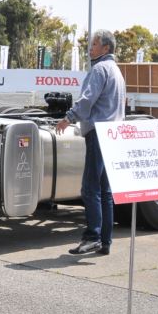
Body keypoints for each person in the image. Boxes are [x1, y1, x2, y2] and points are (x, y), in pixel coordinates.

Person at [54, 30, 126, 255]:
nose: (90, 48)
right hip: (113, 134)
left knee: (90, 189)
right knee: (105, 191)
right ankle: (105, 241)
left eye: (94, 44)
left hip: (97, 133)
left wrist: (69, 118)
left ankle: (92, 236)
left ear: (106, 48)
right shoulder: (116, 71)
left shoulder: (99, 69)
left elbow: (87, 101)